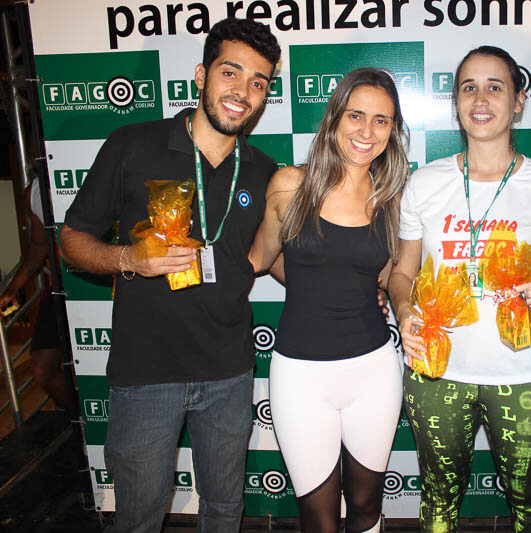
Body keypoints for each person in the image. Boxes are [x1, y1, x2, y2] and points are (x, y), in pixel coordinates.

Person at [59, 18, 281, 532]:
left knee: (224, 510)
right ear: (201, 76)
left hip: (228, 373)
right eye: (230, 73)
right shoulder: (133, 145)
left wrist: (353, 285)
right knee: (138, 517)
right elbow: (72, 240)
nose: (242, 91)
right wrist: (129, 259)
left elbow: (270, 257)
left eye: (258, 82)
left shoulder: (264, 170)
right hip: (146, 373)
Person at [388, 46, 531, 532]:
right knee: (438, 503)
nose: (481, 99)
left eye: (495, 87)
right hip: (437, 369)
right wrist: (405, 312)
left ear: (518, 101)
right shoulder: (424, 182)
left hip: (528, 372)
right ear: (456, 102)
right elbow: (402, 273)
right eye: (468, 87)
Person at [248, 67, 407, 533]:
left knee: (365, 505)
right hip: (300, 376)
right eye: (356, 115)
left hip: (374, 370)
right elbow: (259, 258)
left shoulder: (392, 199)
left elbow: (393, 276)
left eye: (381, 120)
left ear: (393, 130)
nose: (367, 131)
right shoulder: (289, 185)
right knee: (319, 520)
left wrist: (385, 292)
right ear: (335, 117)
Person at [0, 175, 74, 415]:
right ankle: (85, 422)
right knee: (43, 368)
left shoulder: (88, 169)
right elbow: (39, 245)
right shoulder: (34, 191)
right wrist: (14, 287)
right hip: (60, 288)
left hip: (101, 282)